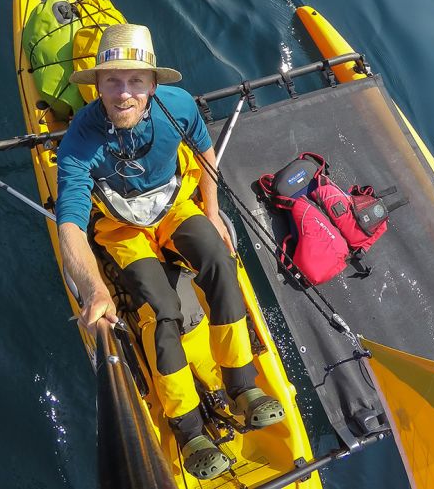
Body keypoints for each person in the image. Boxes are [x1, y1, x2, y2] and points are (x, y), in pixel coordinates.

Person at [55, 23, 284, 480]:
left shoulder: (178, 106)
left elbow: (205, 153)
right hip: (123, 227)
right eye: (112, 80)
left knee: (220, 260)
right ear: (96, 84)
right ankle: (187, 429)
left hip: (174, 205)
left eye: (136, 80)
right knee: (162, 310)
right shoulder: (79, 141)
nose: (124, 94)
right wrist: (92, 287)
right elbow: (70, 226)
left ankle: (242, 383)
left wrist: (214, 212)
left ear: (153, 85)